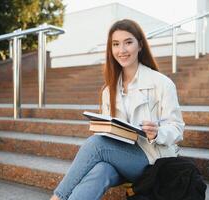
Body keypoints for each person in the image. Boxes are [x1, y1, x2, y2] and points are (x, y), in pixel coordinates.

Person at [50, 19, 185, 200]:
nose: (121, 50)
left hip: (153, 160)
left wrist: (157, 132)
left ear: (140, 46)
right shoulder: (109, 90)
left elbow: (177, 128)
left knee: (96, 144)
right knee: (100, 170)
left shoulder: (161, 83)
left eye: (128, 42)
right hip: (122, 157)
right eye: (116, 44)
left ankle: (57, 197)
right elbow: (109, 134)